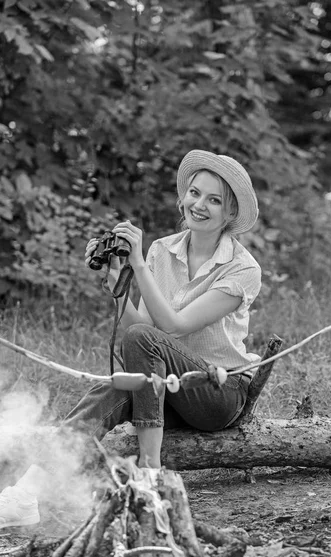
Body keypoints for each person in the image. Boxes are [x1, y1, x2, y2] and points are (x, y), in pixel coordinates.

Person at [0, 149, 262, 528]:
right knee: (111, 390)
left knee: (142, 342)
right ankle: (29, 491)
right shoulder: (162, 250)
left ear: (231, 214)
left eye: (214, 200)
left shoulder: (243, 268)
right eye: (194, 193)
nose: (199, 205)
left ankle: (150, 475)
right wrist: (115, 280)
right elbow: (137, 331)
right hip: (165, 386)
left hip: (215, 394)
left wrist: (137, 265)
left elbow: (170, 327)